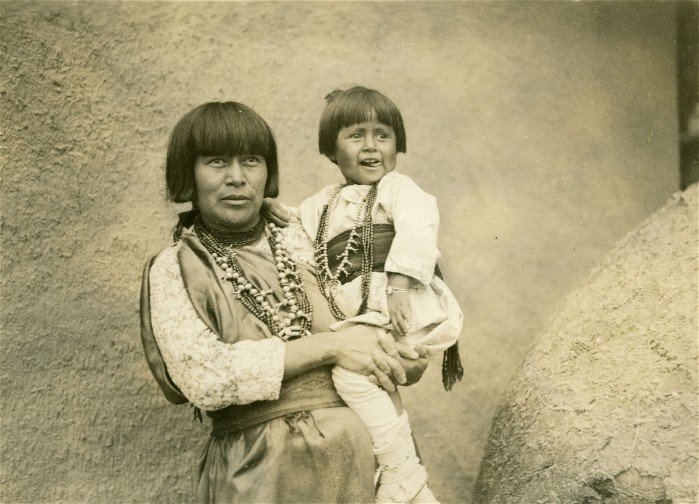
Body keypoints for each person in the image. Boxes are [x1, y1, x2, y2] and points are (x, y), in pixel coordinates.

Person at [139, 101, 428, 504]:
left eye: (252, 161)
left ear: (268, 172)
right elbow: (205, 380)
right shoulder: (175, 267)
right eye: (216, 162)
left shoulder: (303, 231)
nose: (237, 178)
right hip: (262, 473)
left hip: (365, 465)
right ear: (188, 172)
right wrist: (329, 347)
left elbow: (375, 310)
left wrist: (399, 353)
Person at [296, 86, 464, 504]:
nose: (371, 146)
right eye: (356, 136)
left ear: (397, 145)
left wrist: (400, 285)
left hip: (400, 305)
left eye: (382, 135)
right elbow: (293, 226)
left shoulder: (399, 189)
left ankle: (400, 469)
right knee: (366, 381)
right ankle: (412, 490)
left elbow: (419, 227)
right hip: (362, 316)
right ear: (331, 150)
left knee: (350, 376)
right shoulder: (323, 203)